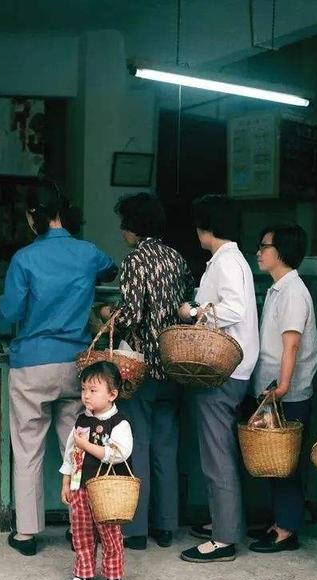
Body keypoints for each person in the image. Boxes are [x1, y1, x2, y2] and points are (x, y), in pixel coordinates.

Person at [0, 184, 118, 556]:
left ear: (33, 218)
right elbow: (112, 270)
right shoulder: (86, 252)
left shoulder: (23, 259)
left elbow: (10, 312)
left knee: (28, 448)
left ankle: (26, 533)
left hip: (31, 365)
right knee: (78, 448)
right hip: (75, 367)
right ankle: (78, 526)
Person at [99, 193, 195, 550]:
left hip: (141, 368)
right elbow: (188, 298)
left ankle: (136, 530)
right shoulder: (176, 257)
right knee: (166, 447)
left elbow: (132, 315)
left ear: (132, 226)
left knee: (136, 446)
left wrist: (108, 315)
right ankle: (167, 525)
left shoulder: (135, 260)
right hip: (173, 365)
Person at [178, 195, 259, 563]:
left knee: (216, 454)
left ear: (207, 226)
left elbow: (233, 309)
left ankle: (224, 538)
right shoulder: (228, 261)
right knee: (216, 451)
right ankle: (221, 522)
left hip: (224, 371)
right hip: (230, 370)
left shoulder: (227, 262)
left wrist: (193, 311)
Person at [248, 224, 317, 553]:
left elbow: (290, 345)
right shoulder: (279, 288)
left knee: (285, 463)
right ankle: (280, 522)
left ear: (283, 251)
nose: (259, 251)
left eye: (265, 245)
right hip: (274, 390)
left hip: (285, 393)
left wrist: (283, 387)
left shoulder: (292, 291)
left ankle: (287, 528)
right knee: (275, 461)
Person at [59, 361, 133, 580]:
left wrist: (87, 445)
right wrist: (66, 483)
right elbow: (71, 454)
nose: (86, 396)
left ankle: (113, 575)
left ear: (112, 394)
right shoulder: (81, 421)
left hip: (107, 490)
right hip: (81, 486)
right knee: (81, 531)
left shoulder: (119, 423)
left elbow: (119, 453)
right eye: (84, 389)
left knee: (110, 532)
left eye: (93, 390)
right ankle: (83, 572)